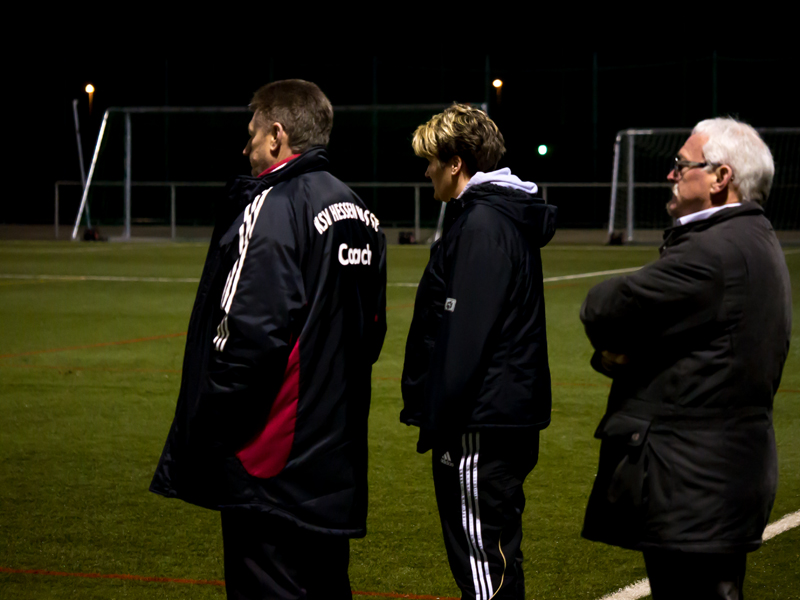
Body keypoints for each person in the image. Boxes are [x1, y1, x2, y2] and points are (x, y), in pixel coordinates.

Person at [150, 79, 387, 600]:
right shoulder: (361, 213)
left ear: (277, 135)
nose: (246, 146)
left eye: (252, 133)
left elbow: (244, 342)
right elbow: (371, 336)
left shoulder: (274, 205)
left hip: (271, 464)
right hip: (333, 458)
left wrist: (209, 437)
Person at [580, 117, 791, 600]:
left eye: (681, 165)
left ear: (721, 178)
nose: (671, 175)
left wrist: (625, 348)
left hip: (694, 483)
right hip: (715, 476)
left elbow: (603, 305)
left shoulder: (715, 253)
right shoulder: (748, 239)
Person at [400, 103, 557, 600]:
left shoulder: (483, 224)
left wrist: (438, 419)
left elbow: (465, 336)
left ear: (456, 163)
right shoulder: (491, 217)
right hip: (494, 419)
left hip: (478, 426)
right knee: (495, 557)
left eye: (431, 160)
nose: (426, 171)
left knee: (483, 568)